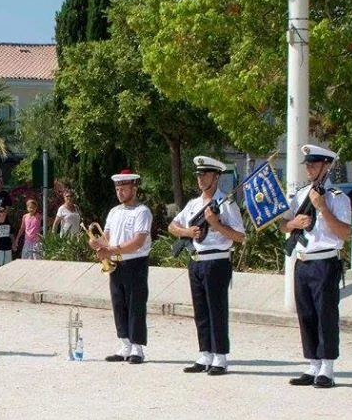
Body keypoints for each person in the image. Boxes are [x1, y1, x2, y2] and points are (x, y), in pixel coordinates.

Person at [284, 145, 352, 388]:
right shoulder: (300, 195)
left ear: (327, 166)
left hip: (325, 260)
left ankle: (327, 367)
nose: (309, 168)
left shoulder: (337, 197)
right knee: (306, 314)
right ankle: (312, 363)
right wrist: (294, 222)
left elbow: (345, 233)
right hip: (302, 261)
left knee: (325, 314)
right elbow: (284, 226)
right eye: (307, 164)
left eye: (314, 164)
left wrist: (322, 207)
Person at [168, 157, 244, 375]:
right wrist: (187, 232)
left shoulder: (226, 204)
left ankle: (220, 357)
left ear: (216, 176)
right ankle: (205, 353)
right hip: (196, 261)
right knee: (200, 310)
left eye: (205, 174)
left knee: (216, 309)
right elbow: (173, 226)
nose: (201, 179)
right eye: (199, 175)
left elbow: (240, 236)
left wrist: (216, 225)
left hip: (217, 261)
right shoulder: (193, 204)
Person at [93, 171, 154, 363]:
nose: (120, 193)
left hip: (135, 262)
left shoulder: (142, 211)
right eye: (118, 189)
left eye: (124, 189)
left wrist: (110, 250)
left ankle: (137, 348)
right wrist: (96, 242)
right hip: (116, 263)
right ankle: (124, 344)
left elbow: (138, 241)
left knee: (135, 304)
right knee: (119, 303)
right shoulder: (114, 212)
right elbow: (107, 237)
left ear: (134, 189)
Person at [0, 202, 14, 268]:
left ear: (5, 214)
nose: (1, 214)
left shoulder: (9, 224)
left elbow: (11, 235)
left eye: (3, 212)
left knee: (8, 266)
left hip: (8, 248)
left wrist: (14, 243)